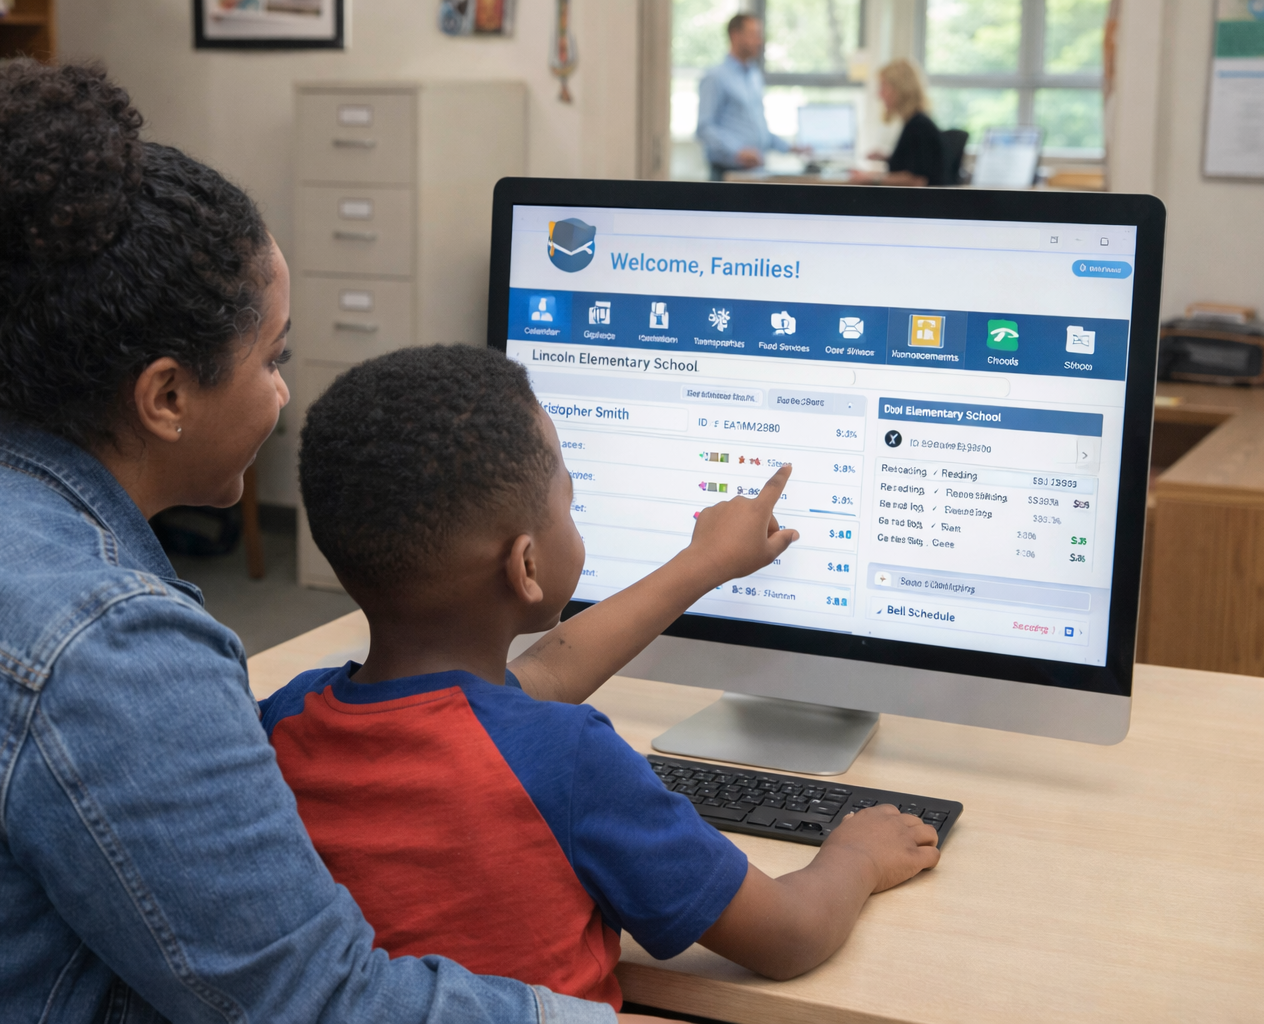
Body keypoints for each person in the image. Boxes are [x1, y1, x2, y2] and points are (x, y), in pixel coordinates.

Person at [0, 62, 660, 1024]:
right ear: (167, 397)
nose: (284, 393)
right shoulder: (112, 644)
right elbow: (317, 1003)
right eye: (275, 358)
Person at [262, 346, 944, 1009]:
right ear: (526, 566)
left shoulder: (286, 723)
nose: (573, 512)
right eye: (569, 499)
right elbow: (788, 936)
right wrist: (855, 854)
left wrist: (704, 562)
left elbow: (538, 677)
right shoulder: (568, 758)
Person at [696, 13, 793, 179]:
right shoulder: (715, 77)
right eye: (753, 35)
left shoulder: (754, 76)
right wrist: (738, 151)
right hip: (727, 175)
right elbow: (705, 128)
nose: (759, 41)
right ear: (735, 35)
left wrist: (789, 148)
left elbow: (758, 129)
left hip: (754, 174)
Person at [851, 58, 947, 186]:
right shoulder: (915, 122)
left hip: (919, 204)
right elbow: (915, 165)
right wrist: (889, 159)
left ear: (900, 89)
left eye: (883, 86)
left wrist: (872, 179)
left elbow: (917, 180)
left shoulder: (919, 126)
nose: (879, 94)